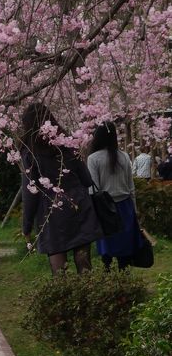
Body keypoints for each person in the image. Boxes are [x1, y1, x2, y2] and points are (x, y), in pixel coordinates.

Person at [20, 103, 102, 274]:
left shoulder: (29, 152)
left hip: (51, 210)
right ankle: (88, 296)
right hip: (78, 204)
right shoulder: (68, 143)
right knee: (82, 258)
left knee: (58, 262)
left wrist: (26, 225)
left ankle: (63, 296)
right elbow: (87, 180)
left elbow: (30, 192)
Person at [87, 121, 142, 270]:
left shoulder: (93, 159)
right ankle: (123, 272)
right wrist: (135, 208)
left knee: (107, 242)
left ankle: (107, 271)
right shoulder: (124, 156)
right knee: (124, 241)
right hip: (125, 205)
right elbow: (131, 187)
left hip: (105, 208)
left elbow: (93, 189)